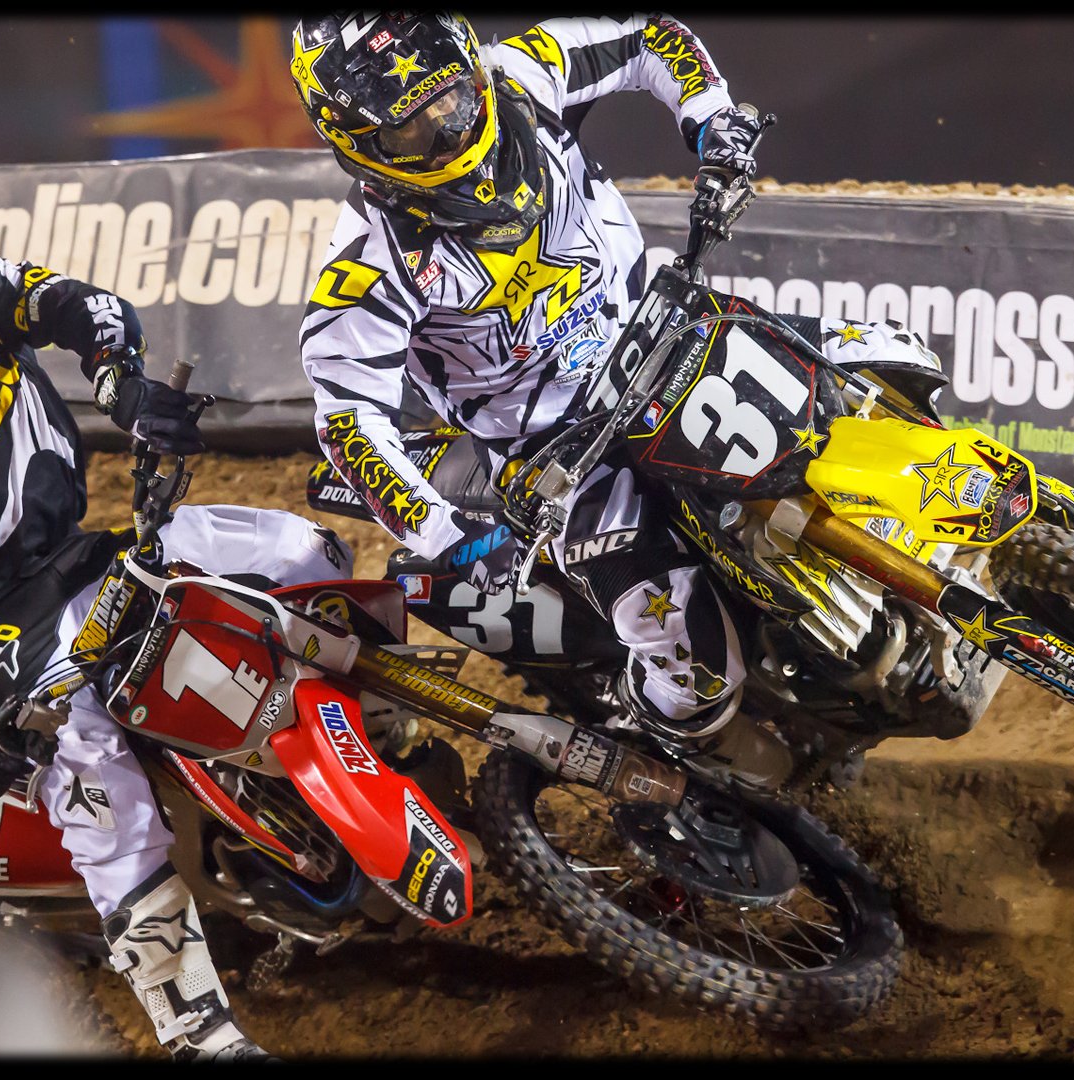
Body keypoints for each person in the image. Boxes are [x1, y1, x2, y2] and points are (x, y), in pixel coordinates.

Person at [0, 169, 348, 1060]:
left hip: (86, 549)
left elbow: (87, 307)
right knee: (96, 782)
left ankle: (361, 757)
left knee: (304, 554)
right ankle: (198, 1033)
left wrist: (122, 384)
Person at [293, 14, 947, 749]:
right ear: (359, 144)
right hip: (562, 454)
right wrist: (448, 535)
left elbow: (647, 37)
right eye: (415, 127)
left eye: (455, 98)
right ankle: (641, 754)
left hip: (673, 331)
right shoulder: (364, 269)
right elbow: (347, 422)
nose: (450, 129)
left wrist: (715, 122)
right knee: (693, 670)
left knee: (897, 356)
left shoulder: (523, 75)